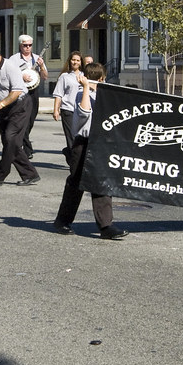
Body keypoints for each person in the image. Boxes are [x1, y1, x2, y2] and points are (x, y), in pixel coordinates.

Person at [50, 62, 128, 240]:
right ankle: (62, 221)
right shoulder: (80, 94)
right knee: (76, 183)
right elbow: (84, 113)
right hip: (83, 143)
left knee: (101, 182)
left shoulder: (104, 95)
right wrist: (86, 88)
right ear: (101, 78)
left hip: (99, 144)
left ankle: (106, 226)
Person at [0, 42, 40, 186]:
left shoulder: (10, 67)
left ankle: (0, 175)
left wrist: (2, 103)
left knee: (10, 139)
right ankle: (30, 174)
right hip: (3, 109)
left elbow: (16, 91)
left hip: (19, 106)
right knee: (10, 143)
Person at [7, 34, 48, 159]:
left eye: (30, 45)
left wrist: (41, 66)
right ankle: (27, 148)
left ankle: (20, 143)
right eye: (25, 45)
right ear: (20, 46)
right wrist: (21, 76)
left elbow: (45, 76)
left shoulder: (37, 58)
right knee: (22, 119)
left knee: (30, 120)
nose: (28, 48)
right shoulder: (13, 59)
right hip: (20, 91)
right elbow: (9, 76)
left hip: (33, 92)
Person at [52, 51, 83, 159]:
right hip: (68, 110)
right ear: (70, 61)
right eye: (73, 59)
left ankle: (70, 154)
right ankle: (73, 161)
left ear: (81, 62)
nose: (75, 62)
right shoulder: (64, 77)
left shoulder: (85, 75)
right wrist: (56, 110)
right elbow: (58, 94)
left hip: (81, 111)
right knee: (71, 138)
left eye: (78, 60)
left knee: (80, 138)